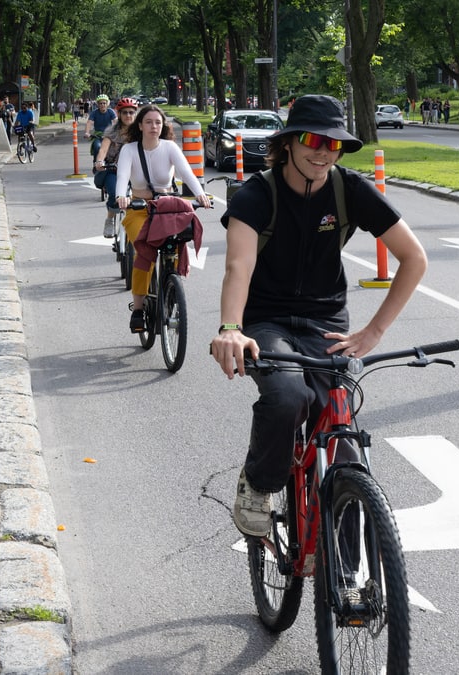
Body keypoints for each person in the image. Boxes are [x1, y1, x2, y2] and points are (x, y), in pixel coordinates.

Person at [208, 95, 427, 538]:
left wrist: (374, 331)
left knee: (343, 444)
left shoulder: (349, 190)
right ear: (289, 142)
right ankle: (259, 483)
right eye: (313, 140)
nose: (324, 152)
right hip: (266, 322)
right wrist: (231, 328)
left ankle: (349, 575)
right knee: (289, 397)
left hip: (326, 323)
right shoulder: (257, 194)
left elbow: (414, 258)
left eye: (335, 144)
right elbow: (238, 267)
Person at [113, 105, 212, 332]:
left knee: (177, 242)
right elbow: (122, 176)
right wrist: (121, 196)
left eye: (158, 122)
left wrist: (200, 194)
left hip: (166, 208)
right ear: (140, 125)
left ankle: (171, 285)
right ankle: (138, 309)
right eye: (148, 122)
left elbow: (186, 172)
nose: (154, 126)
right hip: (139, 208)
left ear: (163, 126)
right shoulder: (129, 150)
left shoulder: (169, 147)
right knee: (143, 251)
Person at [93, 97, 140, 238]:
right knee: (114, 195)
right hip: (114, 170)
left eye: (131, 112)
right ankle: (110, 219)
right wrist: (100, 161)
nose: (128, 115)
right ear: (118, 114)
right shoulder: (112, 131)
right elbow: (103, 149)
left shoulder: (141, 130)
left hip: (136, 171)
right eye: (124, 112)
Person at [86, 94, 116, 164]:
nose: (102, 105)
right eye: (100, 103)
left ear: (107, 104)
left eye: (104, 103)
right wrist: (87, 132)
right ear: (98, 104)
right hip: (98, 136)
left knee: (114, 148)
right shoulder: (94, 113)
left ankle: (113, 164)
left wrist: (117, 131)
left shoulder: (111, 112)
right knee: (97, 146)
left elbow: (115, 121)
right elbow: (89, 122)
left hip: (108, 135)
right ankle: (96, 163)